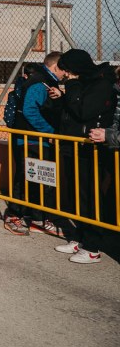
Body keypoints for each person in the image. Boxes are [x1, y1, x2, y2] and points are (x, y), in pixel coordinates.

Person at [52, 49, 116, 265]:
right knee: (76, 196)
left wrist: (71, 86)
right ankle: (80, 238)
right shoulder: (83, 84)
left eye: (68, 70)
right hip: (74, 148)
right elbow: (73, 109)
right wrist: (63, 97)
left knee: (90, 198)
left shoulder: (101, 84)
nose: (65, 74)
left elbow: (84, 111)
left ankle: (92, 247)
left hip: (91, 151)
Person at [3, 51, 63, 237]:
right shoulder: (39, 82)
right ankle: (13, 215)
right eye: (65, 69)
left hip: (37, 140)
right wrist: (50, 131)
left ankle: (38, 218)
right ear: (56, 66)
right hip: (30, 140)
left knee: (41, 180)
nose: (66, 73)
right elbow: (30, 111)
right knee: (24, 177)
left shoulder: (46, 81)